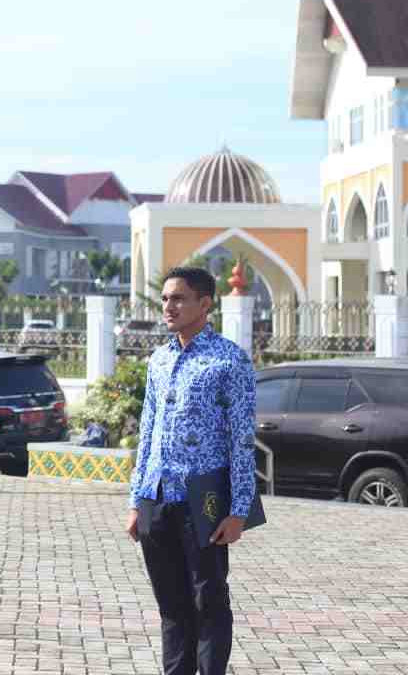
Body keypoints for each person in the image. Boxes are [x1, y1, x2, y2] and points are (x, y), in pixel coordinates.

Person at [125, 266, 258, 675]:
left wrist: (239, 512)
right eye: (165, 298)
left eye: (179, 298)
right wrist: (136, 500)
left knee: (209, 602)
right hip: (157, 499)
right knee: (171, 606)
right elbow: (147, 431)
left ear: (205, 303)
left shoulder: (229, 360)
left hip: (204, 501)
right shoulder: (159, 359)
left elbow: (242, 439)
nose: (169, 306)